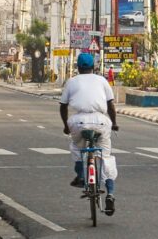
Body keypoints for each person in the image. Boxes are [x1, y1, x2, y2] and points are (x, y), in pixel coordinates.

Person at [60, 52, 118, 216]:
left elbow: (63, 106)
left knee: (77, 148)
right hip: (101, 121)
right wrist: (114, 123)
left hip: (78, 121)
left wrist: (66, 126)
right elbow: (111, 105)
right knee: (105, 157)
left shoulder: (71, 82)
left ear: (78, 67)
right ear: (94, 67)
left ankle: (80, 175)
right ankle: (110, 193)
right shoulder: (102, 80)